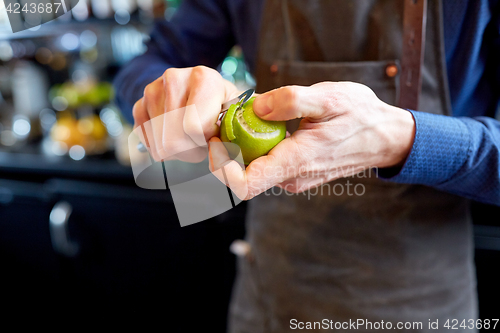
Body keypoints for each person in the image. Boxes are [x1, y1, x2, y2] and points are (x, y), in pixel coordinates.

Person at [114, 0, 500, 332]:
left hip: (423, 307)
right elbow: (146, 65)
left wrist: (403, 138)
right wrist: (170, 95)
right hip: (270, 299)